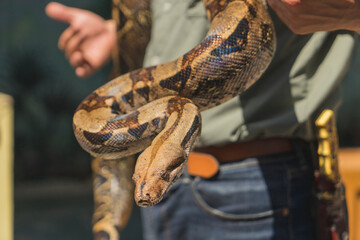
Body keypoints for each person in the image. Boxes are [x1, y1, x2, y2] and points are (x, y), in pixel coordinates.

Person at [46, 0, 359, 239]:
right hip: (175, 191)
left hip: (256, 185)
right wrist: (125, 35)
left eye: (144, 182)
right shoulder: (159, 172)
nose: (143, 193)